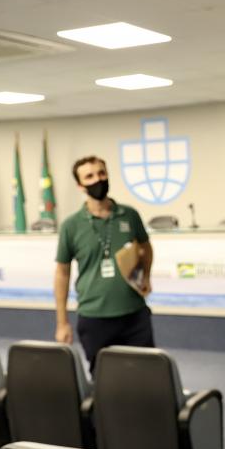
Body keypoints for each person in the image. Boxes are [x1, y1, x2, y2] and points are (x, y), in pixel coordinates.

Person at [53, 155, 155, 373]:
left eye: (101, 173)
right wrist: (62, 322)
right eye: (89, 176)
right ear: (80, 185)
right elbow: (62, 273)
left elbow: (146, 248)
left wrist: (145, 275)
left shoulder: (129, 215)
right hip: (94, 317)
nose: (97, 180)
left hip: (134, 314)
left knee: (146, 375)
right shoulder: (71, 226)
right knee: (105, 379)